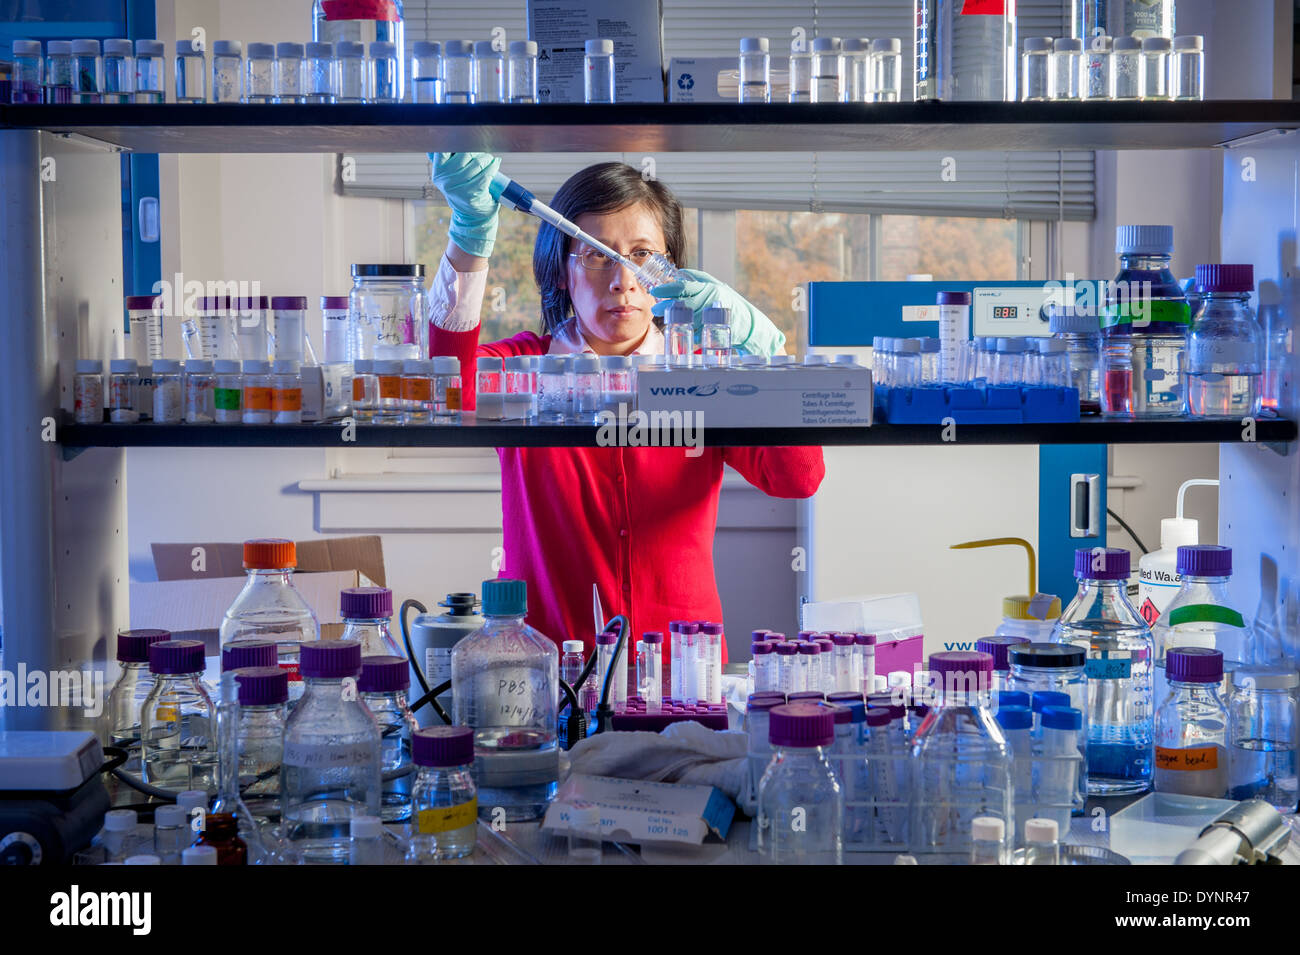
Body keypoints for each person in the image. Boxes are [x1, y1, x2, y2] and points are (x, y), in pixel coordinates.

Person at [427, 152, 825, 657]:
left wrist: (765, 353)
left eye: (642, 255)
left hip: (685, 672)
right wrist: (468, 236)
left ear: (668, 270)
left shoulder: (707, 373)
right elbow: (444, 391)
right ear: (560, 270)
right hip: (546, 668)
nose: (623, 281)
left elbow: (798, 477)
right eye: (596, 255)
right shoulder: (526, 365)